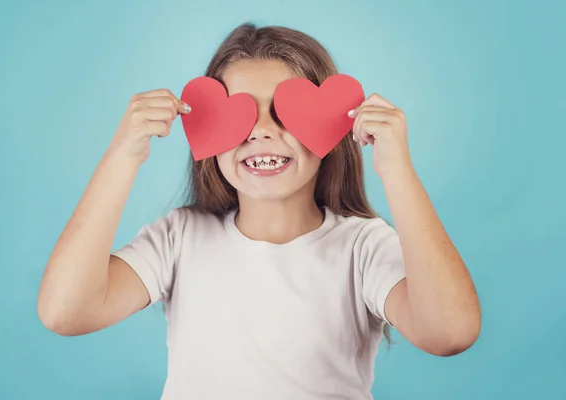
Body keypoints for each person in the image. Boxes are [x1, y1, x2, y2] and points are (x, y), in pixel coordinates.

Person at [37, 23, 481, 400]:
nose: (262, 132)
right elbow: (66, 312)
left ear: (330, 128)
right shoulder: (179, 238)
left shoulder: (362, 247)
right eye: (241, 114)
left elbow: (450, 332)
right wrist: (122, 157)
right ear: (207, 129)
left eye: (286, 113)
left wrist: (396, 170)